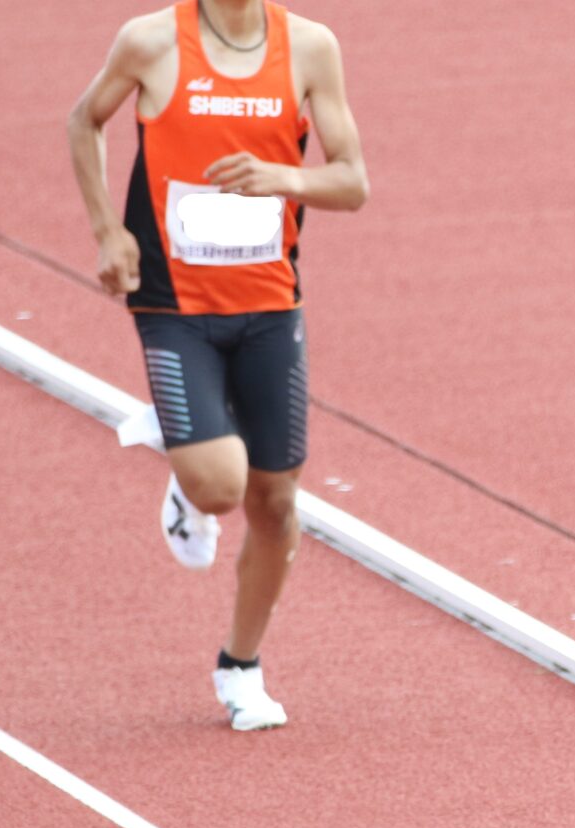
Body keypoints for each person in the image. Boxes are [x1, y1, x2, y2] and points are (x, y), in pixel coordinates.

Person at [68, 0, 368, 729]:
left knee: (275, 504)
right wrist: (109, 233)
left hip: (270, 308)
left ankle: (241, 666)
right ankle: (189, 462)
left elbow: (352, 182)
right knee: (218, 486)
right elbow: (84, 120)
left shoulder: (309, 47)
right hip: (175, 306)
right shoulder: (148, 41)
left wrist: (283, 178)